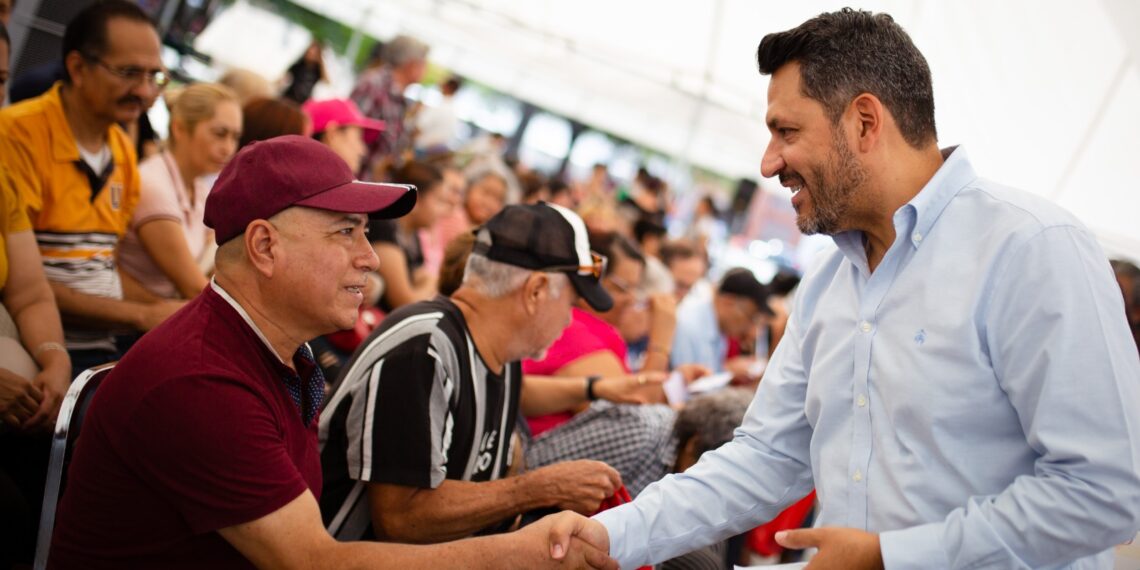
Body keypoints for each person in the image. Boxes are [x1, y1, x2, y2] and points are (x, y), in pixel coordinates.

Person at [551, 9, 1140, 569]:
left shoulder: (1032, 249)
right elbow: (766, 456)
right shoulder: (829, 283)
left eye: (786, 131)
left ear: (864, 121)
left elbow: (1105, 490)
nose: (767, 162)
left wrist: (893, 559)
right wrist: (608, 535)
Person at [47, 135, 615, 570]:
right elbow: (313, 562)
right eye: (346, 233)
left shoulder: (272, 349)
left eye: (366, 233)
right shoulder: (202, 378)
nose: (369, 257)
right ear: (265, 246)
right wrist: (518, 552)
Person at [319, 203, 624, 544]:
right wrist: (537, 489)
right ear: (535, 290)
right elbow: (401, 519)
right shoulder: (424, 348)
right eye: (569, 303)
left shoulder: (500, 353)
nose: (569, 320)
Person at [0, 1, 181, 376]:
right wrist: (144, 313)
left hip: (100, 341)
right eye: (130, 73)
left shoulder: (121, 150)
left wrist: (171, 311)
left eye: (156, 77)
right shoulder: (16, 134)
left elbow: (98, 267)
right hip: (35, 341)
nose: (144, 91)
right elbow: (27, 282)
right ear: (78, 68)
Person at [117, 82, 242, 300]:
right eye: (220, 134)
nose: (229, 148)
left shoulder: (199, 188)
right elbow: (193, 288)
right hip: (129, 327)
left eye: (235, 137)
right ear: (179, 128)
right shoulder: (154, 184)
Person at [370, 160, 452, 310]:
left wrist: (425, 284)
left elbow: (420, 276)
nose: (443, 211)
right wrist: (431, 283)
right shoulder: (385, 228)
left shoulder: (411, 233)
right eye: (439, 201)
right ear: (417, 199)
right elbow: (405, 303)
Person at [351, 34, 429, 180]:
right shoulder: (374, 85)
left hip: (371, 182)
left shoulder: (398, 95)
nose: (426, 70)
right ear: (412, 65)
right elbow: (351, 132)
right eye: (424, 63)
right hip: (356, 178)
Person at [670, 269, 774, 375]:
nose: (751, 328)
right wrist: (728, 371)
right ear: (728, 302)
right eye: (751, 318)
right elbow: (687, 383)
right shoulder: (689, 326)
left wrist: (728, 370)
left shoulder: (718, 329)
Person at [282, 39, 327, 105]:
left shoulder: (317, 70)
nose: (311, 54)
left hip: (303, 102)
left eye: (315, 53)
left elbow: (326, 80)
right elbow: (285, 76)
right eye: (310, 51)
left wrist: (321, 63)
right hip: (290, 97)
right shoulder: (299, 65)